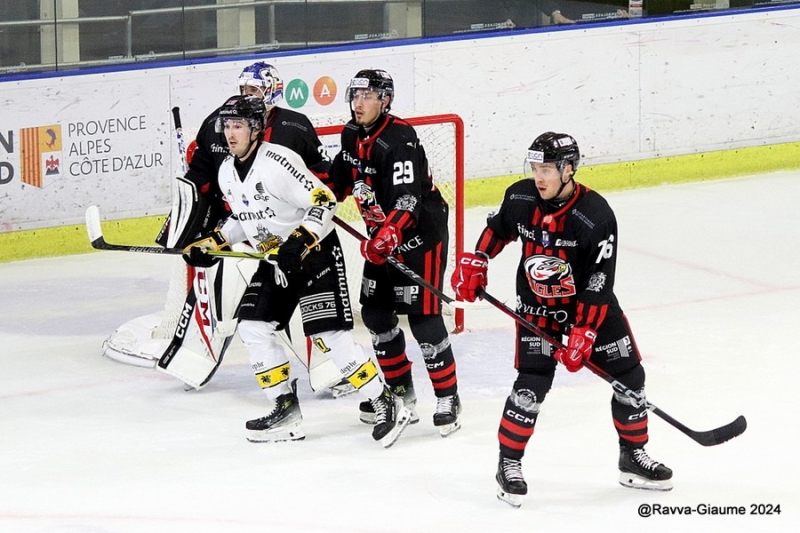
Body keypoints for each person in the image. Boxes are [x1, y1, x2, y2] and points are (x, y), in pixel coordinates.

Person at [451, 132, 672, 507]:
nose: (539, 177)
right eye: (535, 168)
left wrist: (584, 332)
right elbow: (498, 229)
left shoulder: (595, 215)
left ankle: (632, 456)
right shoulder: (521, 197)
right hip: (538, 308)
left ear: (568, 169)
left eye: (548, 169)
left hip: (589, 307)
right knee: (531, 384)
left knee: (631, 378)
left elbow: (600, 280)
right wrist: (478, 259)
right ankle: (509, 464)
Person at [102, 61, 347, 393]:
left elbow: (320, 176)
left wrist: (316, 207)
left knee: (293, 307)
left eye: (255, 89)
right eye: (245, 88)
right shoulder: (219, 120)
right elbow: (200, 173)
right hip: (233, 226)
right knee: (211, 293)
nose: (248, 95)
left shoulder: (295, 126)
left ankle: (332, 371)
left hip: (284, 234)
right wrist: (194, 215)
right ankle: (192, 362)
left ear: (273, 91)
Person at [182, 94, 412, 446]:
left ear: (255, 128)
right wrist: (214, 242)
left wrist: (300, 241)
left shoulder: (278, 160)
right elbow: (246, 218)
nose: (230, 133)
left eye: (238, 125)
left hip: (315, 253)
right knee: (253, 326)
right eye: (226, 126)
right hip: (276, 259)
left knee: (328, 334)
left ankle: (385, 401)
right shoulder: (227, 170)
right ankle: (285, 408)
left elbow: (324, 200)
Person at [325, 69, 462, 437]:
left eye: (368, 96)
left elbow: (408, 198)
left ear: (385, 100)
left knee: (423, 318)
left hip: (419, 236)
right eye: (356, 95)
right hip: (381, 239)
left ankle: (448, 398)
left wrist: (388, 234)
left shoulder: (400, 139)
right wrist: (307, 190)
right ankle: (401, 393)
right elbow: (339, 180)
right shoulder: (351, 134)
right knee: (375, 314)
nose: (359, 103)